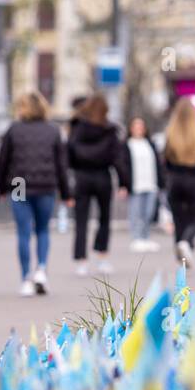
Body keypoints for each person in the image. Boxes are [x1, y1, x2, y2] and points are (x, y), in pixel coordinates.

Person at [0, 90, 71, 296]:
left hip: (19, 184)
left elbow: (3, 161)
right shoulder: (53, 131)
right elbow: (61, 165)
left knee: (23, 231)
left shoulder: (13, 130)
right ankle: (42, 270)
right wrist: (66, 193)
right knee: (43, 229)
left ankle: (26, 278)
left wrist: (0, 188)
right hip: (46, 185)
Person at [67, 94, 131, 276]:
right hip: (103, 176)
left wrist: (69, 177)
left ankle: (81, 261)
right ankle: (102, 257)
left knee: (81, 220)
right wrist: (124, 183)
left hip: (81, 177)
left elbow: (68, 153)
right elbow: (118, 159)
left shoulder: (77, 127)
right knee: (104, 218)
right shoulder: (110, 130)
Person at [162, 97, 195, 264]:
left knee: (178, 218)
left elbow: (166, 159)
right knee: (194, 218)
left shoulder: (170, 134)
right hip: (193, 178)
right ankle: (186, 242)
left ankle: (181, 250)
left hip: (175, 179)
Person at [126, 117, 164, 253]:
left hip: (150, 183)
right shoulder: (127, 145)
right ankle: (136, 237)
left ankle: (146, 237)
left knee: (148, 212)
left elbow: (157, 165)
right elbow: (124, 166)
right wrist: (124, 184)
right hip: (136, 185)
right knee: (136, 212)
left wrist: (161, 182)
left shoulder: (150, 144)